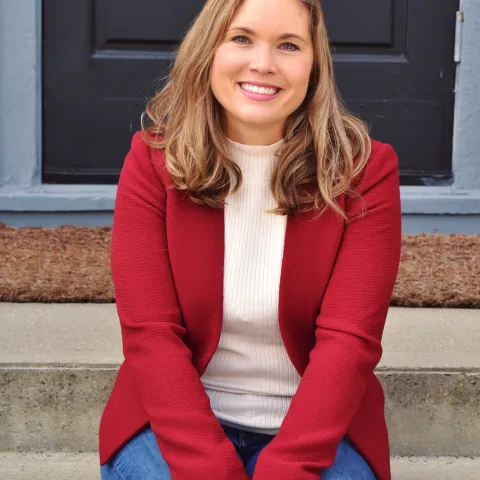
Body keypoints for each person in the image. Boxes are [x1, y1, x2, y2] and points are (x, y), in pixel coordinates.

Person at [98, 0, 402, 479]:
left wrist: (288, 467)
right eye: (241, 38)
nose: (263, 63)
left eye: (288, 45)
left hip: (315, 431)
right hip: (173, 425)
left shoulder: (365, 172)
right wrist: (208, 468)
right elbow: (150, 333)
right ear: (209, 51)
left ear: (314, 64)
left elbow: (351, 341)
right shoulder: (152, 163)